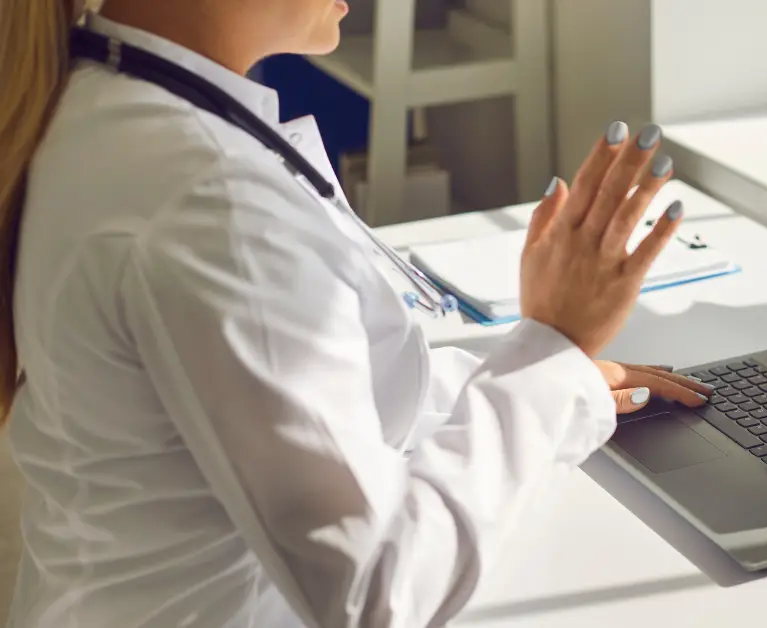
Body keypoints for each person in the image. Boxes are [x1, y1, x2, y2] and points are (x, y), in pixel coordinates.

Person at [0, 1, 714, 626]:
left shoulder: (101, 101)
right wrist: (554, 344)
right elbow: (378, 591)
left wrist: (544, 381)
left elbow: (262, 395)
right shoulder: (209, 200)